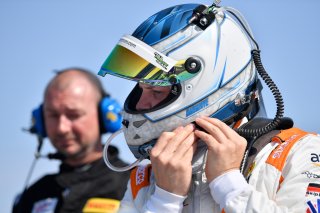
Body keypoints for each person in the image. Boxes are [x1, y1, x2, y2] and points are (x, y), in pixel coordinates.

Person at [97, 3, 320, 213]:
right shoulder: (147, 175)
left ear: (205, 86)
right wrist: (164, 201)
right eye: (141, 89)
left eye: (157, 91)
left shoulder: (300, 153)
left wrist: (230, 186)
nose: (141, 105)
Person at [12, 68, 130, 213]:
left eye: (73, 115)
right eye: (53, 115)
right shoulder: (33, 196)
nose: (62, 128)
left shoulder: (134, 186)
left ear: (104, 116)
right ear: (41, 121)